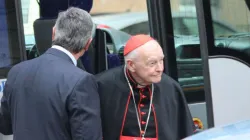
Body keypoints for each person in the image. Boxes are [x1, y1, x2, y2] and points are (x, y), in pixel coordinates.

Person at [0, 7, 102, 140]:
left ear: (53, 32)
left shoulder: (16, 71)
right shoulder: (82, 81)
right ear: (88, 44)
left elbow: (5, 126)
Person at [96, 34, 195, 140]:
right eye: (152, 63)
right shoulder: (102, 85)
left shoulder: (171, 88)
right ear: (131, 65)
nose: (160, 68)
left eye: (161, 60)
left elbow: (185, 133)